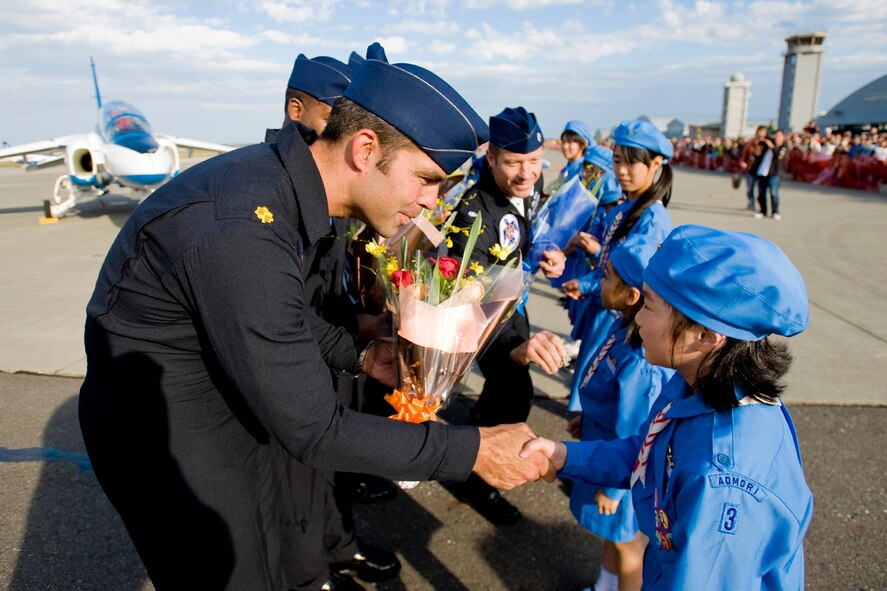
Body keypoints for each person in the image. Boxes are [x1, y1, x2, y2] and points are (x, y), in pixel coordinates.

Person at [78, 47, 552, 590]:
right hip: (169, 441)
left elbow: (286, 317)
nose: (430, 202)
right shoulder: (243, 227)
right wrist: (470, 450)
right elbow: (315, 429)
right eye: (425, 178)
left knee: (264, 558)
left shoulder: (284, 189)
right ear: (365, 149)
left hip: (224, 409)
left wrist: (363, 354)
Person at [523, 225, 813, 590]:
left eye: (649, 304)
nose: (638, 316)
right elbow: (648, 453)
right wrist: (563, 455)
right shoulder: (697, 383)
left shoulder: (723, 484)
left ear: (706, 337)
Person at [265, 51, 399, 591]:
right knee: (297, 484)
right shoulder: (274, 194)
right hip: (296, 359)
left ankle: (338, 549)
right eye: (333, 116)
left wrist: (367, 325)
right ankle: (308, 578)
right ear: (296, 109)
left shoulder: (327, 187)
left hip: (335, 350)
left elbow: (334, 278)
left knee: (330, 473)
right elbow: (287, 306)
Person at [447, 106, 567, 525]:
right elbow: (472, 300)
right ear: (492, 157)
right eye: (514, 163)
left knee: (509, 395)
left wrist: (549, 255)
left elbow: (528, 234)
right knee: (513, 391)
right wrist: (515, 347)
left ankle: (472, 463)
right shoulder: (472, 212)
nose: (526, 173)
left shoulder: (532, 184)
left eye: (534, 161)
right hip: (489, 323)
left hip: (517, 305)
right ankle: (477, 476)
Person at [567, 236, 674, 591]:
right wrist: (589, 415)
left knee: (627, 545)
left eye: (609, 276)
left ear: (631, 297)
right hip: (603, 454)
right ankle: (605, 585)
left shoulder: (640, 362)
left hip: (620, 478)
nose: (602, 282)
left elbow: (635, 436)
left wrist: (613, 492)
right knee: (609, 537)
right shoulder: (623, 329)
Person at [562, 119, 674, 404]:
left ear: (656, 164)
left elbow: (635, 277)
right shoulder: (626, 209)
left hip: (625, 317)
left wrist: (589, 285)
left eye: (632, 163)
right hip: (605, 305)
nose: (622, 171)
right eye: (617, 161)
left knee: (613, 395)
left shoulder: (653, 221)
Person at [549, 119, 594, 192]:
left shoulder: (586, 170)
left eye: (570, 142)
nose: (565, 146)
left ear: (583, 144)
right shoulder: (565, 170)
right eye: (563, 142)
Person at [755, 129, 788, 221]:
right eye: (775, 136)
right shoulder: (767, 145)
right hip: (763, 172)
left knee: (774, 193)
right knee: (761, 193)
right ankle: (762, 211)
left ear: (782, 137)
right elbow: (759, 148)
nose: (776, 138)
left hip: (775, 173)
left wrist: (773, 147)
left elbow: (779, 156)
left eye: (779, 136)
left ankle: (775, 211)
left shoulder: (784, 146)